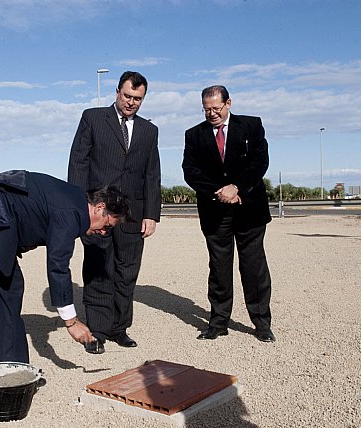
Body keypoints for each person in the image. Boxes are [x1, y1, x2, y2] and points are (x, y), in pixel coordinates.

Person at [0, 170, 130, 409]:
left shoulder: (73, 202)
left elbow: (30, 213)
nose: (103, 232)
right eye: (107, 225)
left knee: (11, 289)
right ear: (99, 207)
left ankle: (13, 371)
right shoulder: (72, 213)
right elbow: (58, 266)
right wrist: (71, 322)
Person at [68, 71, 161, 354]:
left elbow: (151, 173)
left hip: (133, 215)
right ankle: (97, 329)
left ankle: (120, 328)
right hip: (98, 212)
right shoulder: (93, 118)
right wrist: (79, 208)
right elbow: (78, 163)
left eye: (138, 99)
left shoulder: (148, 130)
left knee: (126, 270)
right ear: (117, 91)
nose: (132, 102)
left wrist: (151, 214)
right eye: (128, 96)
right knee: (98, 268)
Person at [182, 85, 275, 343]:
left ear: (229, 103)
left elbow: (260, 161)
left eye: (216, 108)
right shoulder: (194, 135)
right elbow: (190, 171)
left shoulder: (251, 126)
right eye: (206, 109)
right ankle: (218, 322)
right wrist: (219, 191)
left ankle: (261, 323)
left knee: (254, 267)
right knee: (219, 267)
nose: (211, 113)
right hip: (214, 211)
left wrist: (237, 187)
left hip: (250, 209)